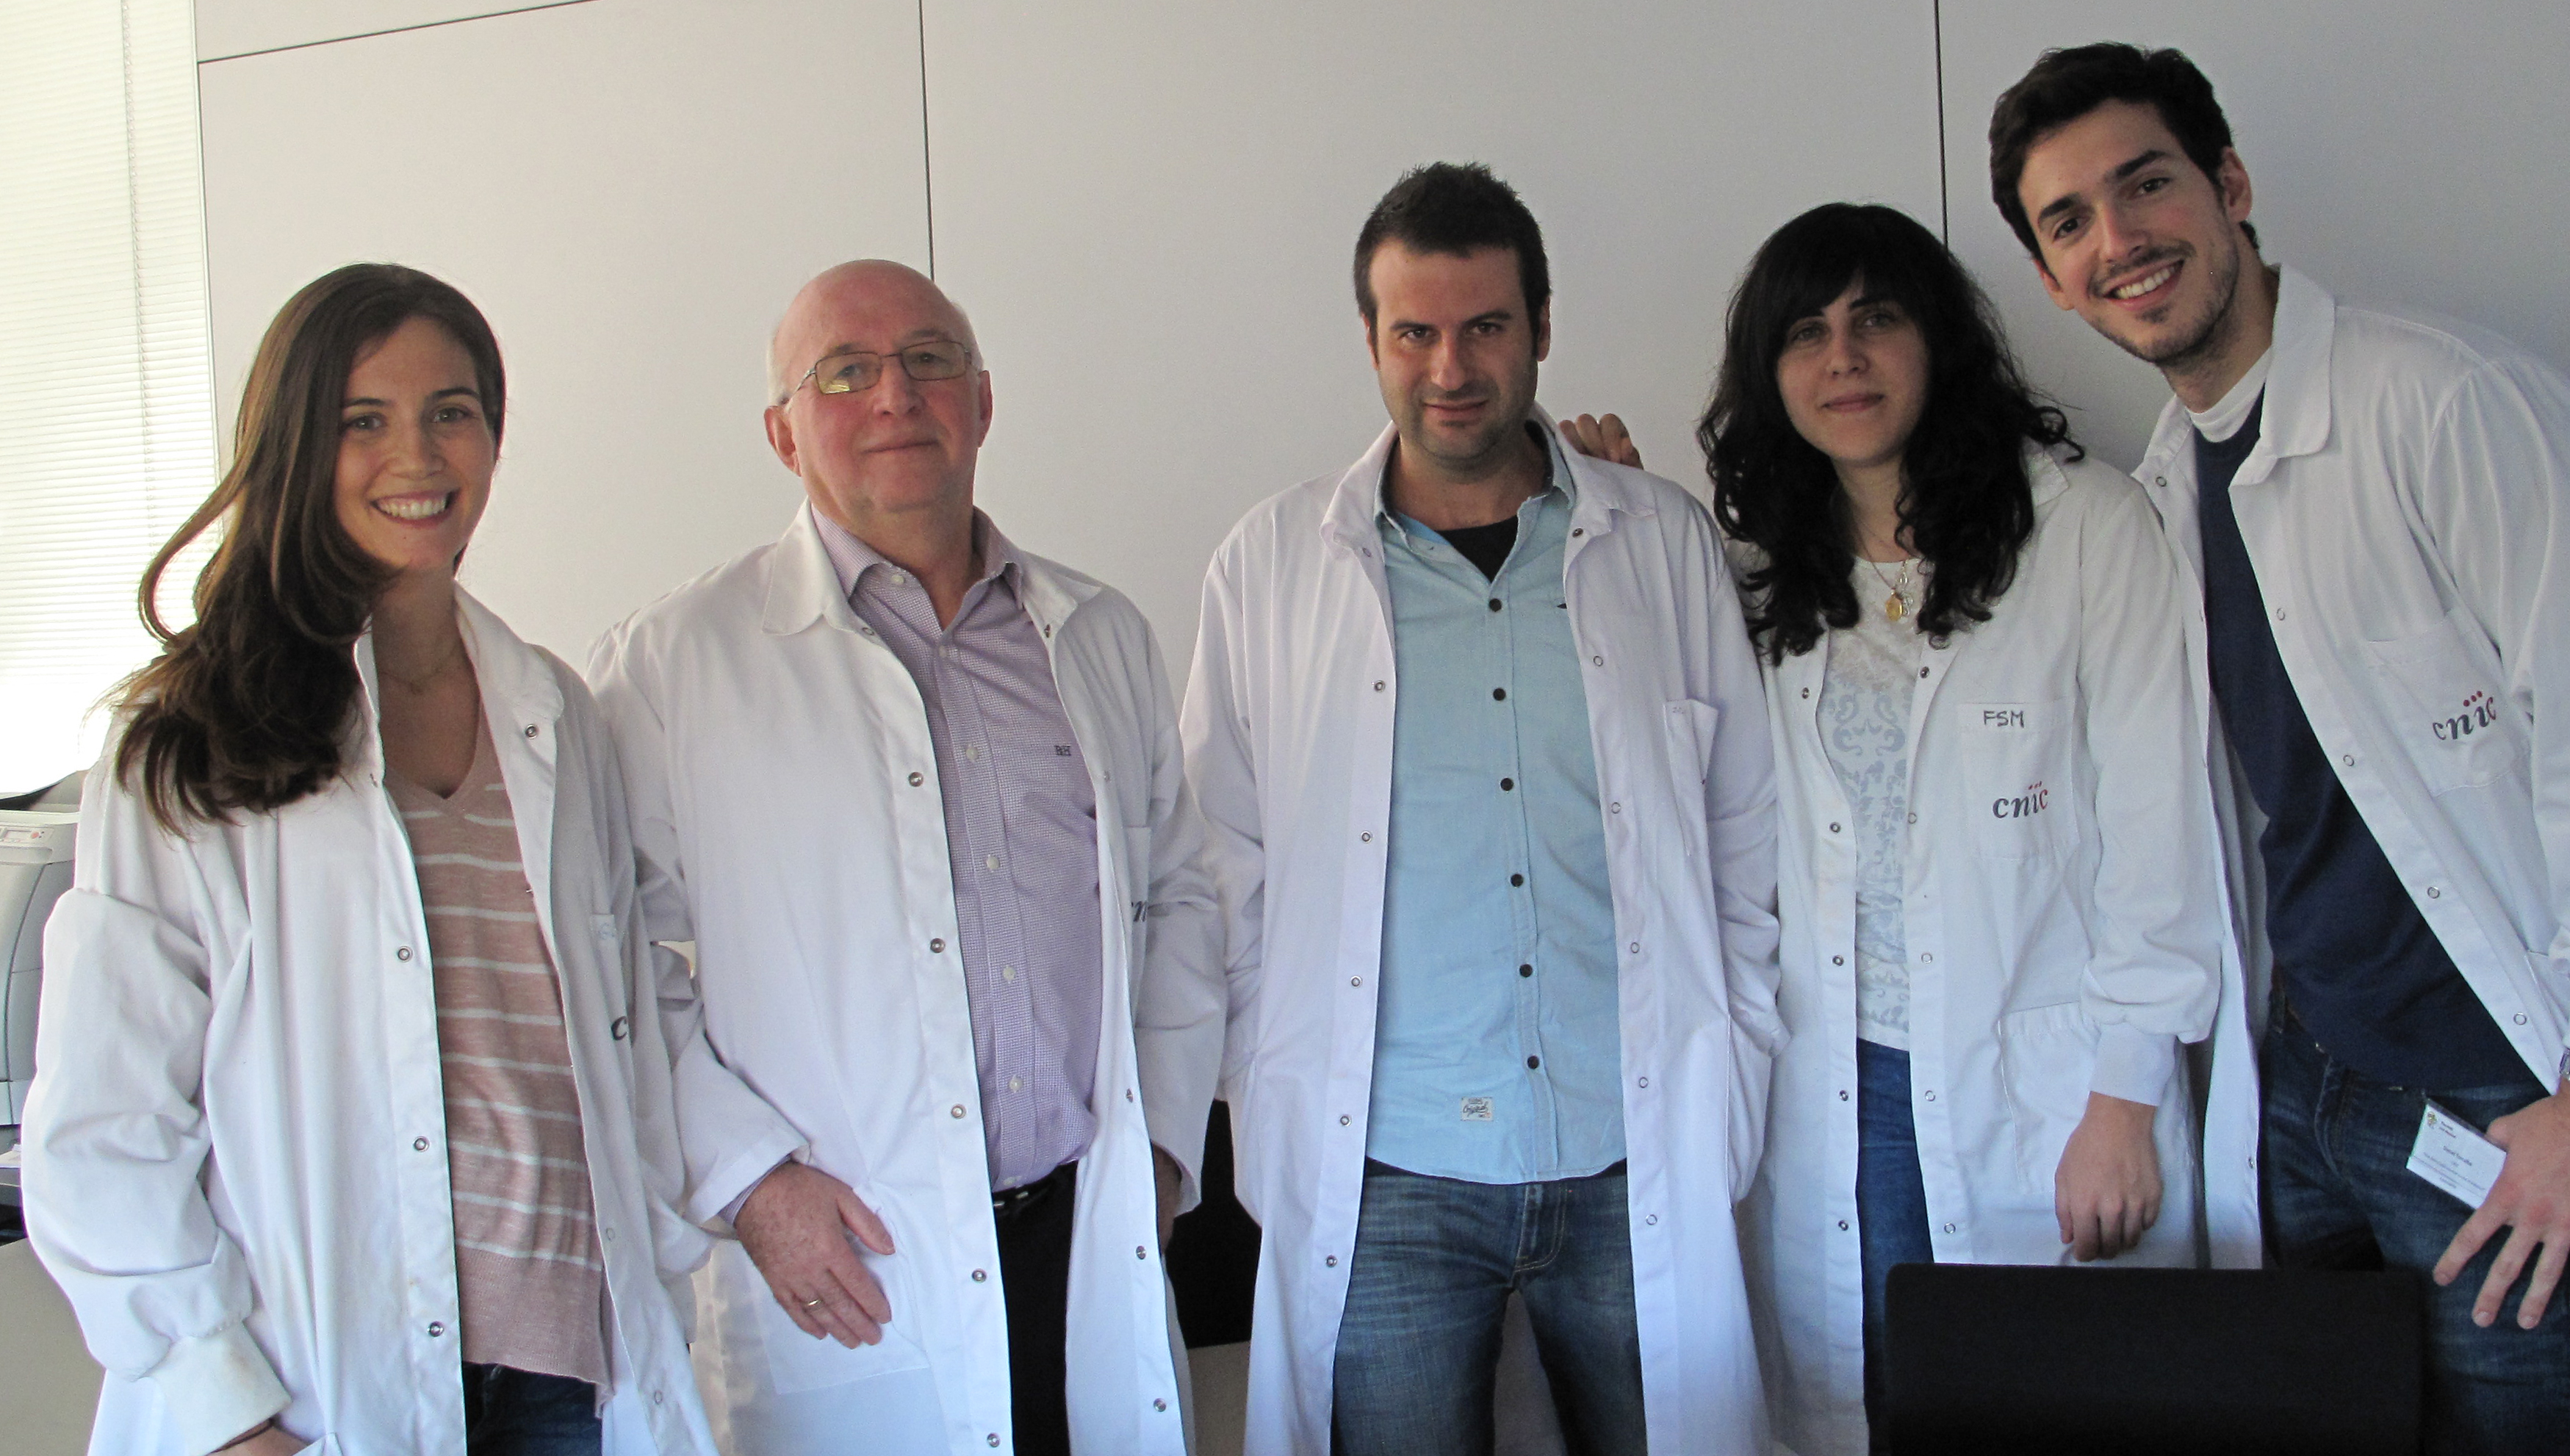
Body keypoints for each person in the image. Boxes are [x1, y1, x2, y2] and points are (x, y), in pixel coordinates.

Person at [1989, 41, 2570, 1456]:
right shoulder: (2161, 492)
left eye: (2146, 187)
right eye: (2069, 222)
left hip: (2509, 1103)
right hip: (2311, 1093)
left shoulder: (2446, 405)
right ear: (2052, 278)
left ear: (2231, 185)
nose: (2120, 241)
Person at [1572, 201, 2245, 1454]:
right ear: (1770, 376)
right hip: (1841, 1092)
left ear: (1937, 340)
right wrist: (1612, 503)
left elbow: (2165, 840)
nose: (1845, 359)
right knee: (1869, 1407)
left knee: (2055, 1408)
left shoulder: (2087, 528)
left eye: (1877, 320)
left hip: (2047, 1088)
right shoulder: (1765, 574)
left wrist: (2127, 1098)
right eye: (1808, 334)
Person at [22, 264, 716, 1456]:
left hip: (568, 1379)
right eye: (364, 420)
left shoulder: (555, 710)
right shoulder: (189, 744)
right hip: (312, 1387)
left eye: (452, 410)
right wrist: (225, 1413)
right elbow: (104, 1127)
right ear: (296, 444)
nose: (419, 454)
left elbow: (620, 1031)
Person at [1179, 162, 1781, 1456]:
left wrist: (1740, 1055)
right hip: (1387, 1171)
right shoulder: (1272, 566)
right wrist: (1254, 1097)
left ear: (1543, 329)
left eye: (1486, 327)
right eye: (1416, 331)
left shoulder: (1660, 542)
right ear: (1372, 339)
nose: (1451, 366)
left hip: (1633, 1153)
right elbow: (1220, 868)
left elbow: (1745, 832)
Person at [586, 259, 1222, 1456]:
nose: (895, 396)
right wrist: (753, 1183)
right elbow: (614, 965)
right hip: (852, 1260)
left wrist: (1168, 1152)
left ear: (982, 401)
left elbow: (1182, 899)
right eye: (846, 371)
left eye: (929, 360)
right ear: (783, 433)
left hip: (1085, 1234)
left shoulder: (1095, 632)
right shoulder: (676, 664)